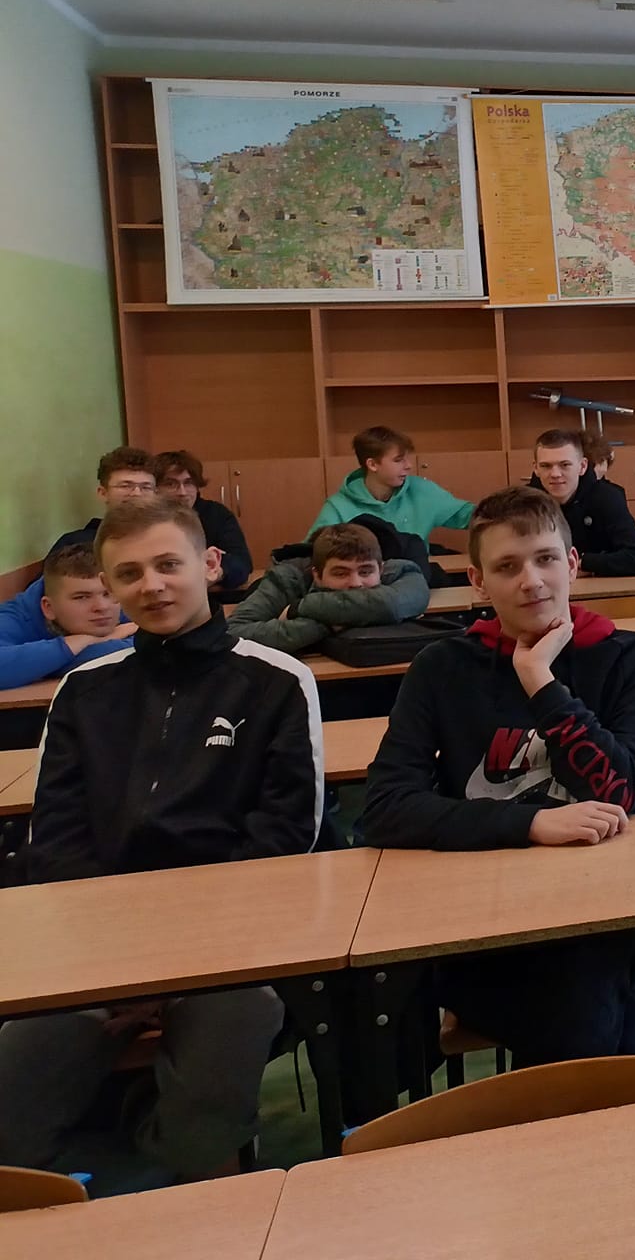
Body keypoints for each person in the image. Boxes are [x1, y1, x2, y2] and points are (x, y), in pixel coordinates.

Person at [0, 497, 321, 1182]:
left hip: (228, 950)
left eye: (168, 565)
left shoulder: (277, 682)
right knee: (18, 1095)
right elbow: (55, 839)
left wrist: (174, 965)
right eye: (129, 573)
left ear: (210, 565)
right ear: (111, 587)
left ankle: (180, 1187)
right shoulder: (83, 690)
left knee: (216, 1074)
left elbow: (283, 840)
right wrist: (121, 965)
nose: (152, 586)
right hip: (96, 947)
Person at [361, 487, 635, 1062]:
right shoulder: (442, 667)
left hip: (612, 911)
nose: (531, 581)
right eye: (507, 567)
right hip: (488, 921)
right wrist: (531, 824)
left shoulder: (628, 655)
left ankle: (589, 1107)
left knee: (584, 986)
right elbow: (385, 807)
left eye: (545, 559)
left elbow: (620, 790)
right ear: (477, 581)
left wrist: (540, 682)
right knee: (585, 1004)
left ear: (572, 563)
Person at [227, 521, 430, 654]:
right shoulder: (287, 578)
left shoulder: (402, 571)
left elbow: (390, 604)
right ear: (316, 574)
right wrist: (328, 624)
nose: (356, 583)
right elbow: (234, 633)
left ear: (381, 568)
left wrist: (300, 608)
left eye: (365, 572)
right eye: (341, 573)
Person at [0, 543, 135, 690]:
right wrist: (82, 641)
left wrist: (41, 665)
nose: (102, 607)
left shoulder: (124, 596)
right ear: (48, 607)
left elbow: (149, 648)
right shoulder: (17, 617)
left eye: (107, 593)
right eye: (82, 597)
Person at [309, 426, 473, 542]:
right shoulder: (338, 507)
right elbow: (314, 549)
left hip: (417, 573)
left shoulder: (421, 490)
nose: (409, 465)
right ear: (373, 464)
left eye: (407, 458)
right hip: (365, 576)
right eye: (398, 460)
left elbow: (469, 516)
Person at [529, 428, 635, 576]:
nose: (555, 474)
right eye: (546, 466)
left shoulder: (607, 498)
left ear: (582, 466)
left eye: (565, 465)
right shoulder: (523, 505)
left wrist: (582, 564)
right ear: (536, 468)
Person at [148, 450, 253, 591]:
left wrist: (213, 573)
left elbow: (242, 564)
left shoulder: (217, 514)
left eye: (189, 483)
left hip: (213, 595)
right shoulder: (146, 519)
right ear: (155, 488)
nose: (182, 492)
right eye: (171, 484)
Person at [45, 446, 157, 558]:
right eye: (125, 486)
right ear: (103, 493)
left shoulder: (164, 539)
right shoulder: (75, 545)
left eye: (146, 487)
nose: (137, 493)